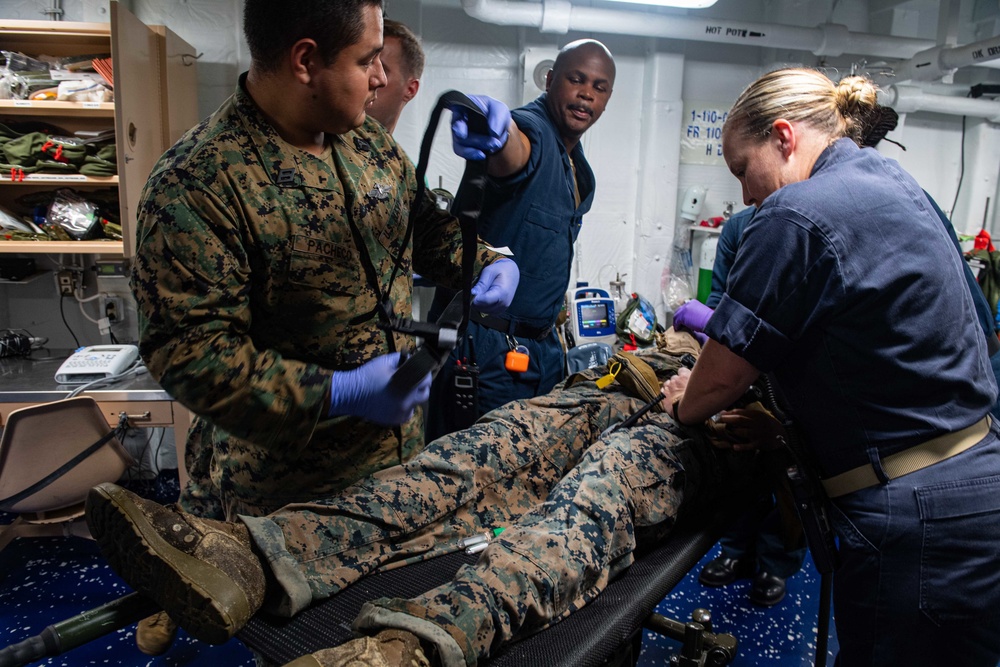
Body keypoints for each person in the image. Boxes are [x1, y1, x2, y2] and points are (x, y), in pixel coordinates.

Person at [127, 0, 518, 654]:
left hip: (392, 467)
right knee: (301, 647)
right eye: (367, 61)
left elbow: (429, 236)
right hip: (284, 495)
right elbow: (189, 354)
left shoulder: (368, 144)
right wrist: (336, 391)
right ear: (306, 60)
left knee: (381, 634)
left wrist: (488, 261)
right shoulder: (200, 182)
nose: (379, 79)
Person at [84, 332, 764, 666]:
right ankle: (256, 554)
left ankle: (402, 651)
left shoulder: (822, 259)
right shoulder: (775, 245)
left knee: (586, 508)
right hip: (624, 387)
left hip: (712, 434)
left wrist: (723, 400)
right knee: (467, 457)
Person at [663, 68, 1000, 666]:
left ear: (784, 138)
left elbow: (718, 381)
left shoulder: (796, 213)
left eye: (743, 168)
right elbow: (874, 358)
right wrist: (784, 426)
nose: (745, 195)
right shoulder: (889, 180)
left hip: (916, 514)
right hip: (970, 486)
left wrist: (686, 398)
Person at [425, 39, 616, 441]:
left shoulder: (574, 165)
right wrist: (494, 131)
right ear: (549, 80)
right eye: (575, 79)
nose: (586, 93)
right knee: (476, 481)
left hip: (538, 350)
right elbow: (514, 151)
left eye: (599, 87)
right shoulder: (534, 130)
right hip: (486, 351)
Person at [674, 206, 807, 608]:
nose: (746, 190)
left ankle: (776, 562)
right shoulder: (737, 228)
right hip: (740, 362)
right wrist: (707, 325)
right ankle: (735, 549)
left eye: (745, 170)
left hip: (791, 367)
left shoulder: (806, 225)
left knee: (787, 468)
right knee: (739, 449)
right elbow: (720, 299)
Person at [366, 18, 423, 134]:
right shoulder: (322, 145)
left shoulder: (396, 152)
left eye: (383, 69)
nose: (368, 80)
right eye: (364, 65)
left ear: (410, 89)